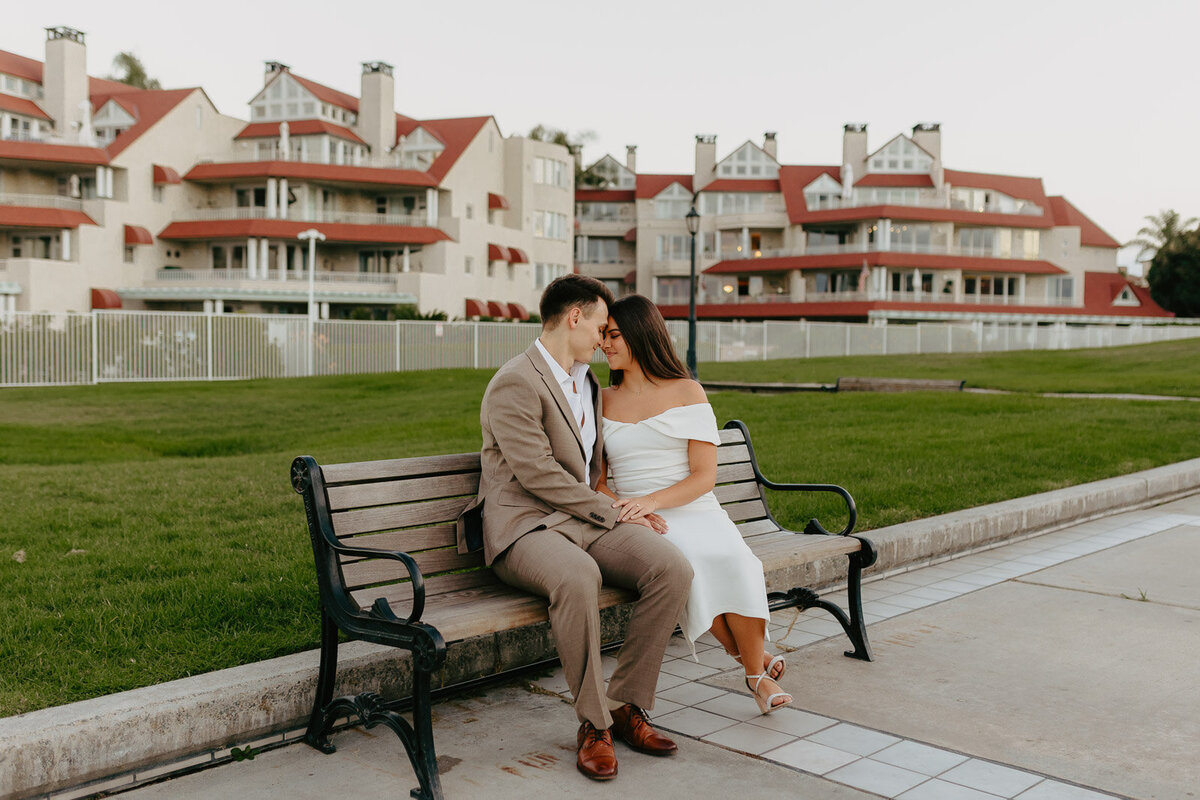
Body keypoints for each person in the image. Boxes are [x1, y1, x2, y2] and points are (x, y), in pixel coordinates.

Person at [457, 275, 693, 782]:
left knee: (670, 566)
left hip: (580, 518)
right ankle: (593, 724)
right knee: (578, 576)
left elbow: (590, 469)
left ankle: (627, 705)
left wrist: (623, 507)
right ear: (574, 317)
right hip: (523, 529)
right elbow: (538, 474)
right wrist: (609, 511)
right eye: (602, 327)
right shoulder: (514, 382)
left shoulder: (587, 381)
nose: (605, 339)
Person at [598, 294, 792, 715]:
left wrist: (654, 499)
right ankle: (756, 672)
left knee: (736, 560)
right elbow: (596, 483)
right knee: (690, 568)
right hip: (638, 516)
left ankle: (753, 666)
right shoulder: (602, 401)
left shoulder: (688, 391)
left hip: (692, 505)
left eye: (613, 335)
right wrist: (631, 508)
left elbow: (704, 475)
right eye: (603, 336)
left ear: (640, 334)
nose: (604, 345)